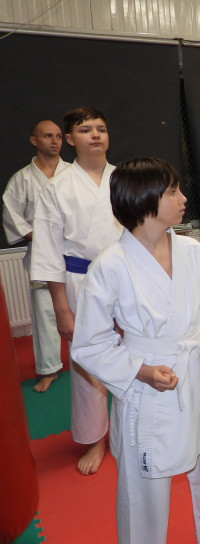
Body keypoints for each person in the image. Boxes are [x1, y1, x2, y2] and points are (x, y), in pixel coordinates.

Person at [71, 158, 200, 544]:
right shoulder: (110, 266)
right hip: (146, 385)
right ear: (144, 199)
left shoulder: (192, 251)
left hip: (195, 373)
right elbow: (90, 344)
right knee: (144, 483)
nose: (183, 199)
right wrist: (141, 371)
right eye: (172, 192)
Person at [31, 107, 123, 475]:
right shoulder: (57, 187)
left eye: (101, 128)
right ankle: (95, 438)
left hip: (128, 279)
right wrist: (61, 308)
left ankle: (132, 428)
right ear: (70, 139)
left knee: (138, 355)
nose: (96, 135)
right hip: (80, 282)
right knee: (87, 363)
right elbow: (48, 251)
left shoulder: (125, 179)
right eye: (86, 130)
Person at [3, 120, 70, 392]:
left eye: (58, 136)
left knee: (85, 309)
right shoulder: (22, 179)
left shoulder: (74, 173)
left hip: (73, 251)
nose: (54, 141)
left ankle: (90, 363)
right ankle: (49, 369)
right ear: (34, 140)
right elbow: (12, 215)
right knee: (45, 312)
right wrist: (40, 237)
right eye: (47, 136)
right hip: (42, 253)